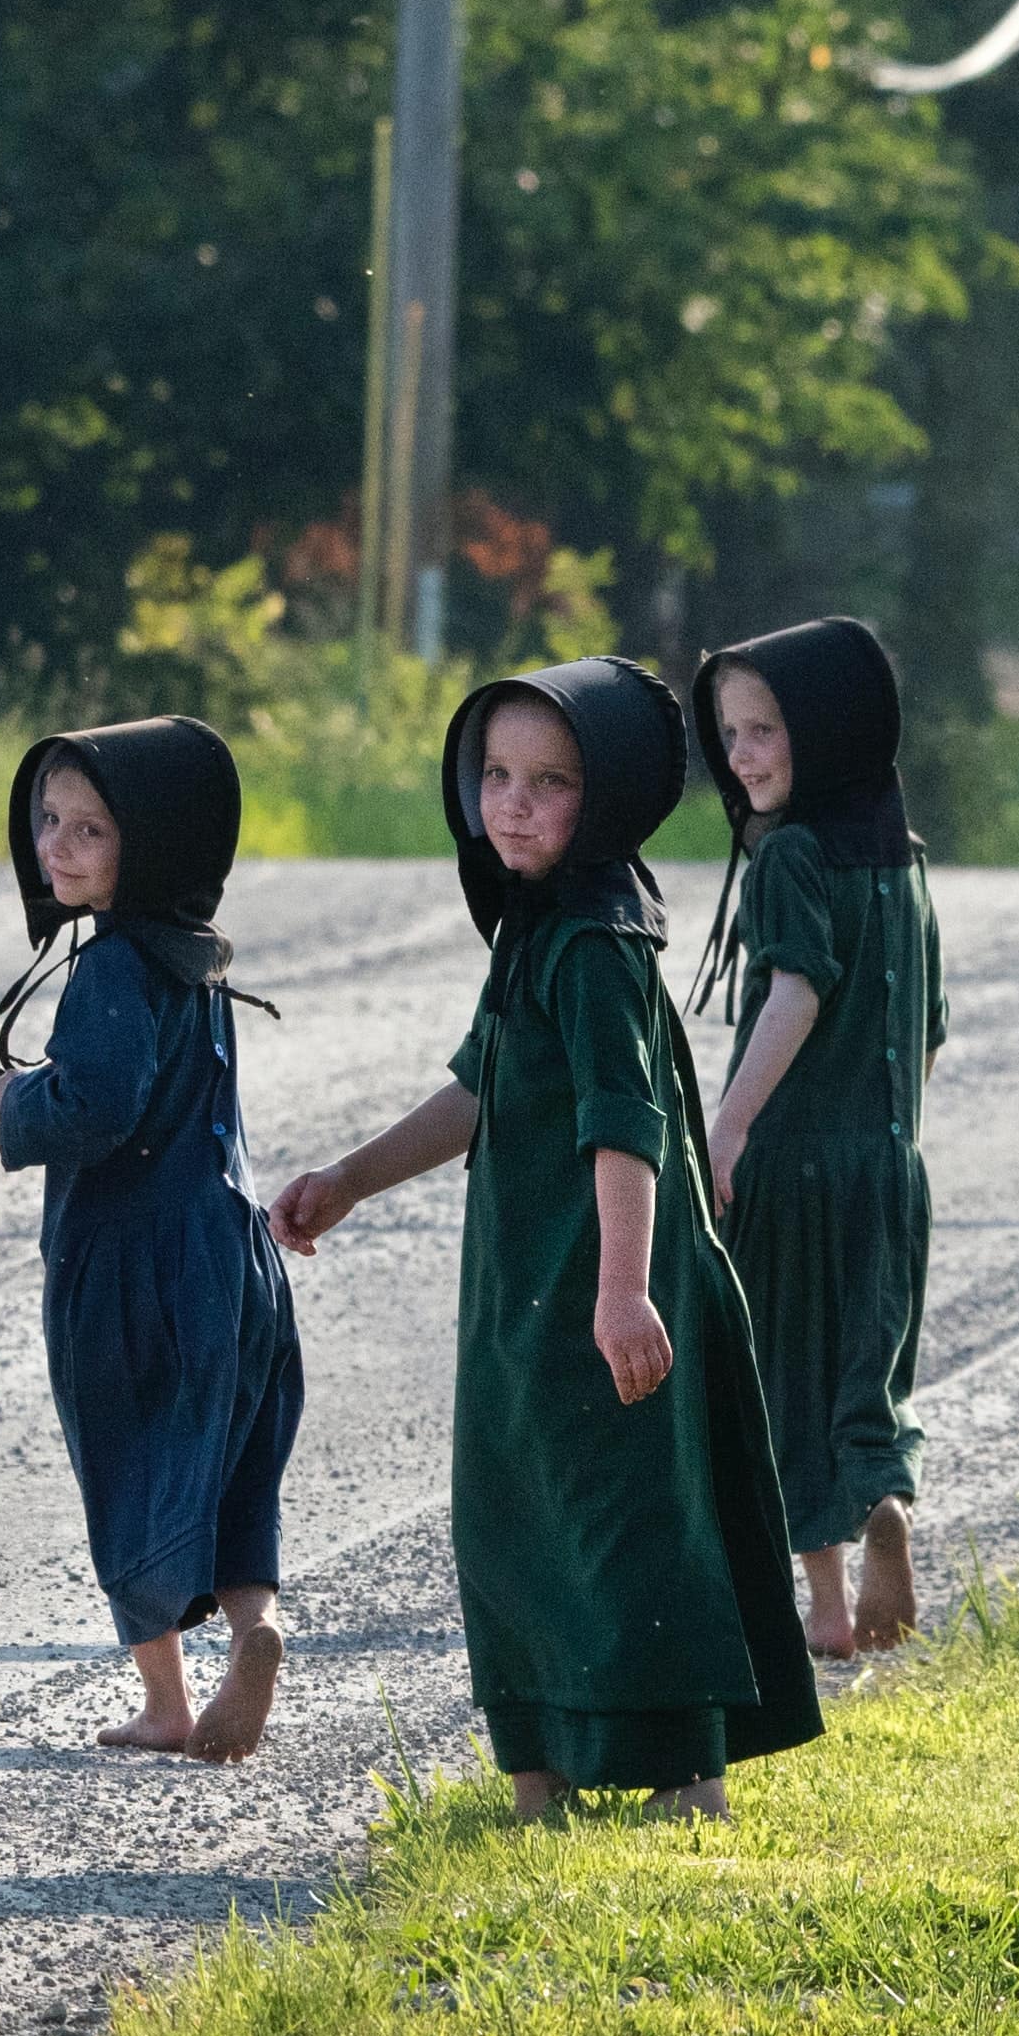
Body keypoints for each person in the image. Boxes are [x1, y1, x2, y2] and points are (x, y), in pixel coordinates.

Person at [267, 657, 821, 1821]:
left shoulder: (598, 947)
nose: (512, 801)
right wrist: (351, 1178)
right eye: (496, 774)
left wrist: (622, 1293)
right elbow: (480, 1086)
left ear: (607, 797)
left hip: (603, 1282)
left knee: (630, 1520)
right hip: (526, 1288)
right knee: (512, 1513)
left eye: (550, 780)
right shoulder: (536, 927)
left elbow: (628, 1128)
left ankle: (687, 1779)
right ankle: (542, 1776)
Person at [0, 714, 305, 1761]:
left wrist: (17, 1105)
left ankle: (166, 1700)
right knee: (232, 1461)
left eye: (89, 829)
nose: (56, 846)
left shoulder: (112, 969)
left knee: (125, 1458)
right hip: (234, 1252)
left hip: (130, 1267)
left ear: (149, 844)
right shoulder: (198, 959)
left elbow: (98, 1107)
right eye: (47, 820)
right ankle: (257, 1627)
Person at [688, 616, 947, 1660]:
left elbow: (795, 987)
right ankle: (883, 1495)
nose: (742, 754)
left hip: (790, 1159)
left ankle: (827, 1606)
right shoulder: (904, 866)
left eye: (763, 730)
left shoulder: (790, 856)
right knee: (867, 1367)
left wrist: (729, 1124)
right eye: (730, 734)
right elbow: (926, 1029)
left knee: (779, 1376)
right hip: (891, 1162)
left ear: (829, 732)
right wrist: (886, 1134)